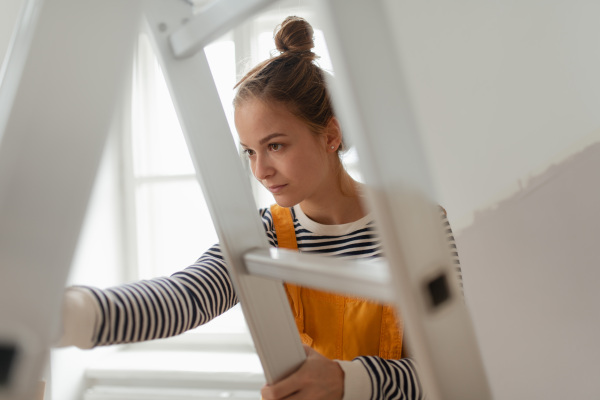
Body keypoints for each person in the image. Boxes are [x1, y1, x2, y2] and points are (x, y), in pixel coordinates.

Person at [58, 16, 461, 400]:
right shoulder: (266, 233)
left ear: (331, 135)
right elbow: (183, 299)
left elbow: (446, 373)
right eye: (249, 151)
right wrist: (69, 315)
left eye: (275, 145)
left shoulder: (419, 225)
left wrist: (344, 382)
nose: (260, 170)